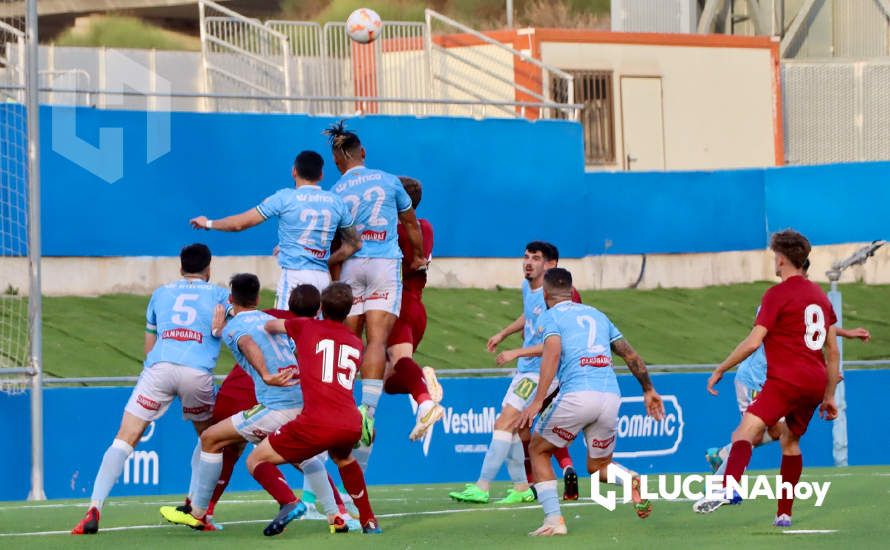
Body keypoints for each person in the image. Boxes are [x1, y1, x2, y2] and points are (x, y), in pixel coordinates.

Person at [159, 275, 344, 534]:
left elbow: (247, 342)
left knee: (211, 439)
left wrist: (266, 374)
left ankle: (200, 512)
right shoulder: (273, 320)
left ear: (231, 298)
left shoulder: (237, 326)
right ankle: (337, 517)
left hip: (276, 406)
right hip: (301, 403)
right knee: (305, 457)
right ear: (258, 299)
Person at [72, 244, 229, 535]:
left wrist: (154, 371)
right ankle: (197, 510)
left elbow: (149, 343)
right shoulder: (220, 294)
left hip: (158, 368)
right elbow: (231, 329)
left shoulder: (161, 293)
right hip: (197, 373)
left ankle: (94, 508)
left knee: (125, 438)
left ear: (180, 268)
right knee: (209, 440)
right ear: (209, 268)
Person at [694, 229, 841, 529]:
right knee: (790, 442)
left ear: (783, 259)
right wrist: (828, 396)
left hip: (785, 379)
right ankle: (784, 514)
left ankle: (729, 487)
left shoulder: (776, 294)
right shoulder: (820, 297)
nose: (774, 262)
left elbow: (752, 343)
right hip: (814, 382)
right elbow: (833, 351)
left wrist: (721, 368)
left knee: (742, 435)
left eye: (775, 256)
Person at [518, 267, 665, 536]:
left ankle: (554, 521)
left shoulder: (551, 317)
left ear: (546, 293)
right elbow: (629, 354)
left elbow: (551, 355)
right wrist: (648, 389)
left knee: (538, 449)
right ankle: (629, 478)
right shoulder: (598, 315)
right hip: (610, 396)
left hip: (578, 395)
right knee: (598, 468)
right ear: (572, 292)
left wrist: (537, 401)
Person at [323, 121, 426, 466]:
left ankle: (340, 401)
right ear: (362, 153)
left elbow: (335, 241)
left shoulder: (335, 191)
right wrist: (418, 257)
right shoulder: (388, 180)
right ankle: (367, 411)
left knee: (348, 340)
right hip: (384, 265)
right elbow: (411, 225)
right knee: (377, 341)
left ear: (338, 161)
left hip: (352, 266)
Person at [248, 283, 382, 535]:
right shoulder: (356, 343)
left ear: (321, 306)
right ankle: (369, 520)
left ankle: (291, 502)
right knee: (344, 459)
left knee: (256, 460)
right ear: (350, 310)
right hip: (349, 421)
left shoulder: (305, 326)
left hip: (316, 421)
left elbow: (270, 326)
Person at [450, 242, 574, 504]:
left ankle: (482, 487)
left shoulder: (556, 299)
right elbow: (528, 316)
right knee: (515, 430)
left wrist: (516, 352)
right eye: (526, 256)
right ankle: (520, 488)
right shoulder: (527, 288)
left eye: (536, 258)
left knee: (503, 423)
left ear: (550, 265)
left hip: (540, 373)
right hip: (525, 370)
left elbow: (556, 345)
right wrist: (504, 333)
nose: (528, 262)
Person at [189, 150, 361, 308]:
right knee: (314, 338)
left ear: (294, 171)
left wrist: (208, 223)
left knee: (285, 336)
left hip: (294, 278)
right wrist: (326, 260)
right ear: (321, 175)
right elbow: (354, 244)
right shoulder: (335, 201)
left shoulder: (284, 198)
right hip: (322, 279)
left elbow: (239, 224)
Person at [383, 176, 444, 441]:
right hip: (417, 306)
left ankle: (425, 402)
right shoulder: (426, 227)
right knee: (387, 381)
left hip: (398, 304)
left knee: (401, 362)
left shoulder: (390, 231)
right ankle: (421, 379)